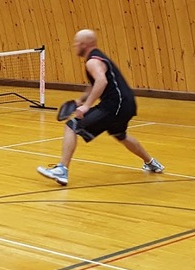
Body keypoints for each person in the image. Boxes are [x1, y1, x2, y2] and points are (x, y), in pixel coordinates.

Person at [38, 29, 164, 186]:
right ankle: (151, 163)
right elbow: (95, 84)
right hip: (126, 103)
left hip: (114, 105)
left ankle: (62, 170)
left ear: (84, 44)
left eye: (76, 43)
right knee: (120, 135)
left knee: (72, 126)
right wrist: (80, 101)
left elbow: (101, 81)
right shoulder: (98, 57)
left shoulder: (92, 61)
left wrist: (87, 107)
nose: (75, 46)